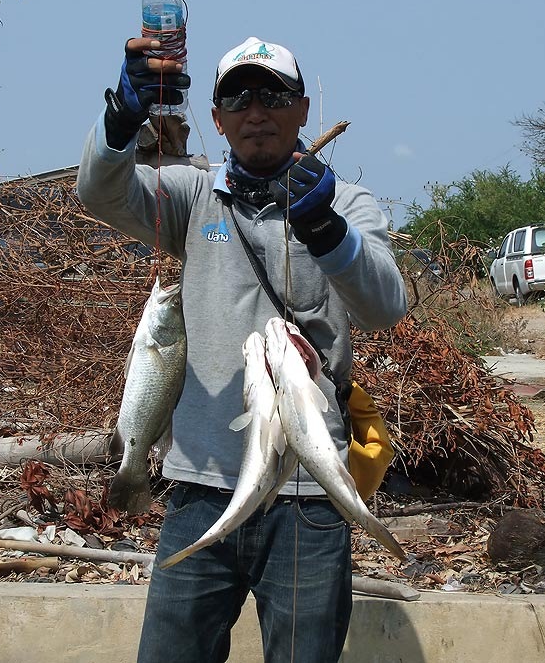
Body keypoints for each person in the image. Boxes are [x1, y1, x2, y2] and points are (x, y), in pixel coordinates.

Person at [77, 35, 407, 663]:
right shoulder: (190, 195)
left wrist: (328, 231)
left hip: (310, 496)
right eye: (237, 97)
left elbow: (386, 305)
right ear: (217, 117)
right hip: (198, 488)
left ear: (304, 108)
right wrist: (120, 116)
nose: (257, 111)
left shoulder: (348, 203)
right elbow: (100, 192)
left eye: (274, 95)